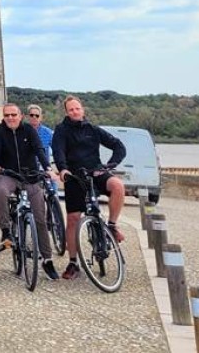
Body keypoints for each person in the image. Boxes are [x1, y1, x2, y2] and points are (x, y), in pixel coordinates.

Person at [51, 95, 128, 280]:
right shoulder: (62, 130)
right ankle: (73, 262)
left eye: (77, 108)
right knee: (73, 219)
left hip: (96, 172)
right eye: (71, 109)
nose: (75, 112)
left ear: (82, 110)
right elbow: (58, 150)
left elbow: (119, 146)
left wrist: (109, 165)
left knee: (117, 185)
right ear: (67, 112)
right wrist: (63, 169)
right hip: (75, 177)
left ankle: (112, 225)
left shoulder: (93, 129)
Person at [0, 103, 60, 281]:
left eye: (14, 114)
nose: (10, 118)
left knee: (40, 219)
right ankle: (6, 230)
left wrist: (48, 169)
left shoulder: (29, 130)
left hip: (30, 176)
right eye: (7, 115)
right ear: (3, 116)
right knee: (0, 191)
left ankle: (47, 259)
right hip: (8, 174)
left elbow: (39, 150)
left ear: (20, 116)